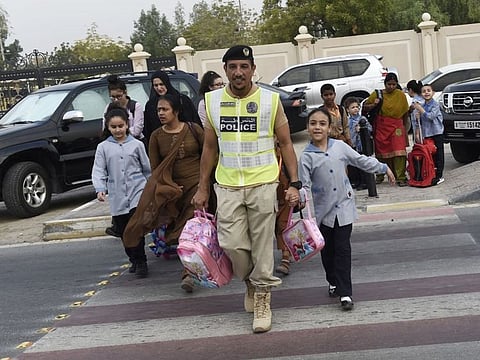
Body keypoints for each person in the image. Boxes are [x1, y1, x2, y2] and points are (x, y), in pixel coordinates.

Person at [191, 45, 300, 334]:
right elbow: (210, 147)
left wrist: (295, 182)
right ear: (225, 70)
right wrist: (203, 188)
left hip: (264, 182)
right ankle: (250, 281)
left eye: (244, 66)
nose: (238, 72)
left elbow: (287, 143)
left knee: (263, 244)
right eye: (233, 67)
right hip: (226, 185)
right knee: (231, 243)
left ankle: (263, 297)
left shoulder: (270, 100)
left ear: (252, 69)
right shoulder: (212, 101)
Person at [298, 107, 395, 311]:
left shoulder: (340, 147)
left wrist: (383, 167)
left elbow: (360, 160)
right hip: (323, 214)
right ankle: (332, 281)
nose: (317, 127)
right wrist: (299, 202)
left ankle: (345, 293)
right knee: (328, 252)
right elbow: (304, 187)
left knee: (343, 250)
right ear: (308, 128)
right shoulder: (306, 156)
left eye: (322, 123)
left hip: (344, 208)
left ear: (329, 127)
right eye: (313, 123)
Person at [123, 93, 206, 293]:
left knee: (190, 230)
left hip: (196, 188)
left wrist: (205, 185)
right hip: (172, 193)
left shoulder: (194, 130)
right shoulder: (156, 137)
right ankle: (191, 267)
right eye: (158, 110)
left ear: (176, 111)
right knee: (178, 234)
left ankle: (188, 272)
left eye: (165, 109)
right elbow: (156, 169)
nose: (160, 113)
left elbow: (209, 155)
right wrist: (168, 189)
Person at [92, 104, 151, 278]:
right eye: (113, 127)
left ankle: (142, 261)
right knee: (124, 231)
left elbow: (146, 169)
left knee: (135, 229)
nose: (118, 130)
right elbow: (99, 169)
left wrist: (150, 188)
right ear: (108, 127)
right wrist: (100, 188)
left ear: (127, 124)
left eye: (121, 126)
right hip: (117, 195)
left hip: (137, 192)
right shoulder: (103, 148)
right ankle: (133, 258)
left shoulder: (137, 145)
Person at [103, 75, 145, 238]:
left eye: (118, 96)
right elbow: (105, 126)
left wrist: (125, 137)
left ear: (125, 93)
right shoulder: (109, 108)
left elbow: (138, 128)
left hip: (132, 144)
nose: (116, 100)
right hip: (115, 147)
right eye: (113, 97)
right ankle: (118, 223)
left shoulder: (135, 106)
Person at [363, 72, 409, 186]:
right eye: (389, 84)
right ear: (385, 84)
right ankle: (380, 175)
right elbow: (364, 108)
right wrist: (374, 104)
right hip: (382, 126)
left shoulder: (401, 95)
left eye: (394, 84)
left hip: (397, 126)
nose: (391, 87)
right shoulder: (377, 94)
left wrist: (404, 128)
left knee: (399, 151)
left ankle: (401, 177)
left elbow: (405, 112)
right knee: (382, 152)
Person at [143, 70, 202, 147]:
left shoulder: (182, 100)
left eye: (161, 84)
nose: (159, 88)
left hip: (185, 142)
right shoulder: (150, 105)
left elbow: (194, 122)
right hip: (162, 145)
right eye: (156, 85)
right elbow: (149, 130)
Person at [412, 84, 445, 185]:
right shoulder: (422, 106)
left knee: (439, 154)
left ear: (433, 92)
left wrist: (421, 110)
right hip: (427, 134)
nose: (426, 92)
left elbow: (430, 116)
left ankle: (439, 175)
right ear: (421, 94)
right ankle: (432, 173)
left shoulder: (435, 105)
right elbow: (419, 121)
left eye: (428, 90)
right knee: (430, 154)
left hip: (436, 132)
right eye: (424, 91)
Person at [345, 97, 372, 190]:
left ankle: (365, 182)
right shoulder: (347, 121)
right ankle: (356, 181)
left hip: (361, 145)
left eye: (357, 107)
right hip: (352, 145)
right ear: (347, 110)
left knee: (362, 164)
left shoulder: (362, 119)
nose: (355, 109)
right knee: (354, 165)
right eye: (352, 107)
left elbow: (370, 129)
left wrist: (362, 129)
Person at [406, 79, 425, 144]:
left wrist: (416, 134)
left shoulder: (415, 102)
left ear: (410, 90)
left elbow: (417, 120)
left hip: (419, 132)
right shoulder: (424, 99)